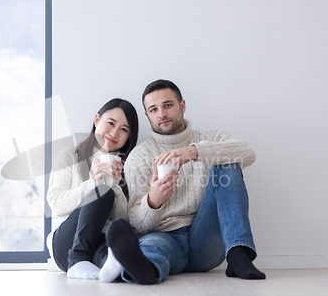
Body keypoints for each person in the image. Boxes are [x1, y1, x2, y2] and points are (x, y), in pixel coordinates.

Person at [102, 79, 265, 284]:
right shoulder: (139, 156)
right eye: (153, 109)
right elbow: (137, 223)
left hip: (207, 237)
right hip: (165, 237)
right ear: (147, 115)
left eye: (167, 105)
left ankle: (239, 255)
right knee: (150, 246)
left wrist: (195, 151)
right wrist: (153, 201)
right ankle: (145, 269)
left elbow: (248, 154)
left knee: (229, 163)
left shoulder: (213, 137)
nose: (161, 114)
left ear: (182, 105)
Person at [46, 98, 139, 280]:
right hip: (66, 244)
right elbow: (56, 205)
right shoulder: (70, 156)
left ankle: (123, 267)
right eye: (110, 123)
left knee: (114, 263)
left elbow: (123, 222)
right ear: (97, 120)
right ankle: (78, 259)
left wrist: (117, 185)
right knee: (101, 192)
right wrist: (92, 183)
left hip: (99, 243)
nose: (114, 133)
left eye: (124, 130)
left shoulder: (128, 167)